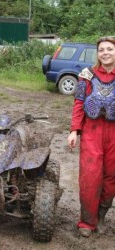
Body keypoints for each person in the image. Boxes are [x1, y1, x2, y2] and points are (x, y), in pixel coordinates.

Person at [67, 36, 115, 237]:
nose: (105, 53)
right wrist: (74, 130)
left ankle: (101, 217)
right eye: (102, 49)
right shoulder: (86, 75)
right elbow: (79, 103)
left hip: (113, 132)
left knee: (111, 177)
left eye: (110, 49)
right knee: (90, 176)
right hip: (91, 131)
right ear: (97, 53)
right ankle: (87, 221)